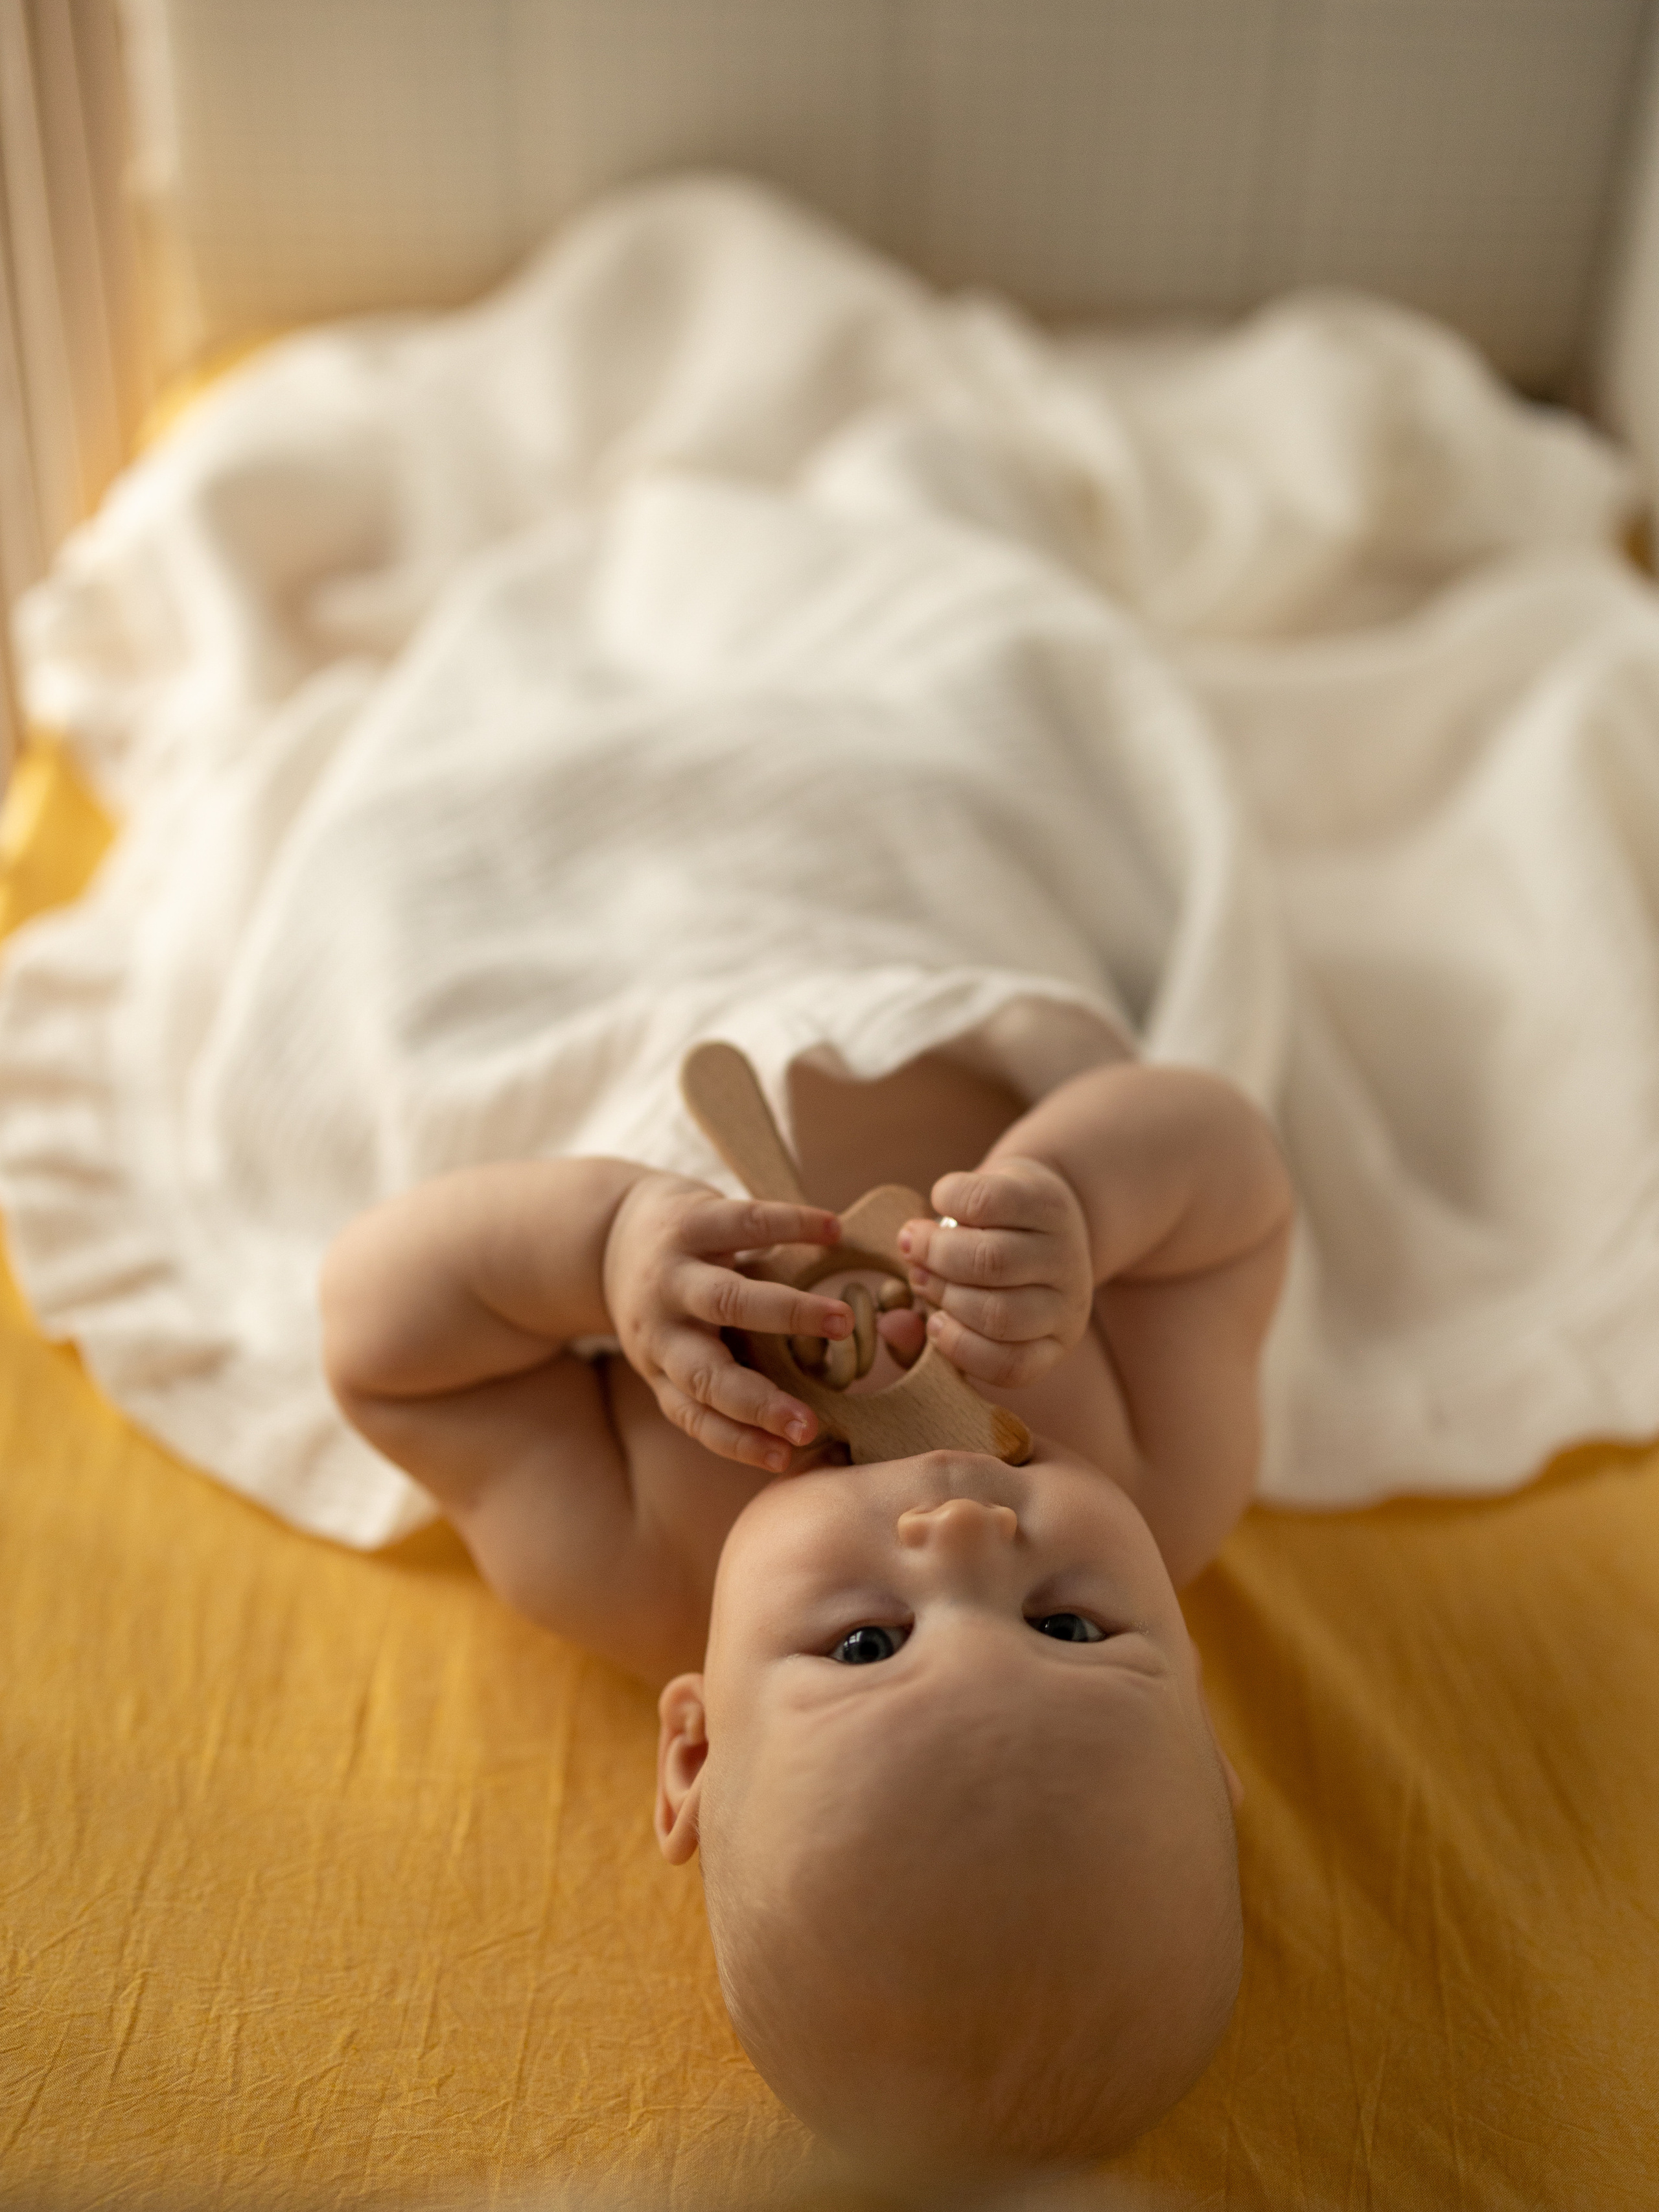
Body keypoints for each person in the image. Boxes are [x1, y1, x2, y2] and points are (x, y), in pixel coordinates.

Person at [320, 1047, 1293, 2174]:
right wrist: (1076, 1203)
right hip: (925, 967)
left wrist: (601, 1249)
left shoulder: (634, 1552)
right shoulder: (1161, 1469)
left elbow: (381, 1344)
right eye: (1068, 1627)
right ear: (1208, 1733)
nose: (966, 1534)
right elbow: (1237, 1178)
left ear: (695, 1750)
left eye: (869, 1644)